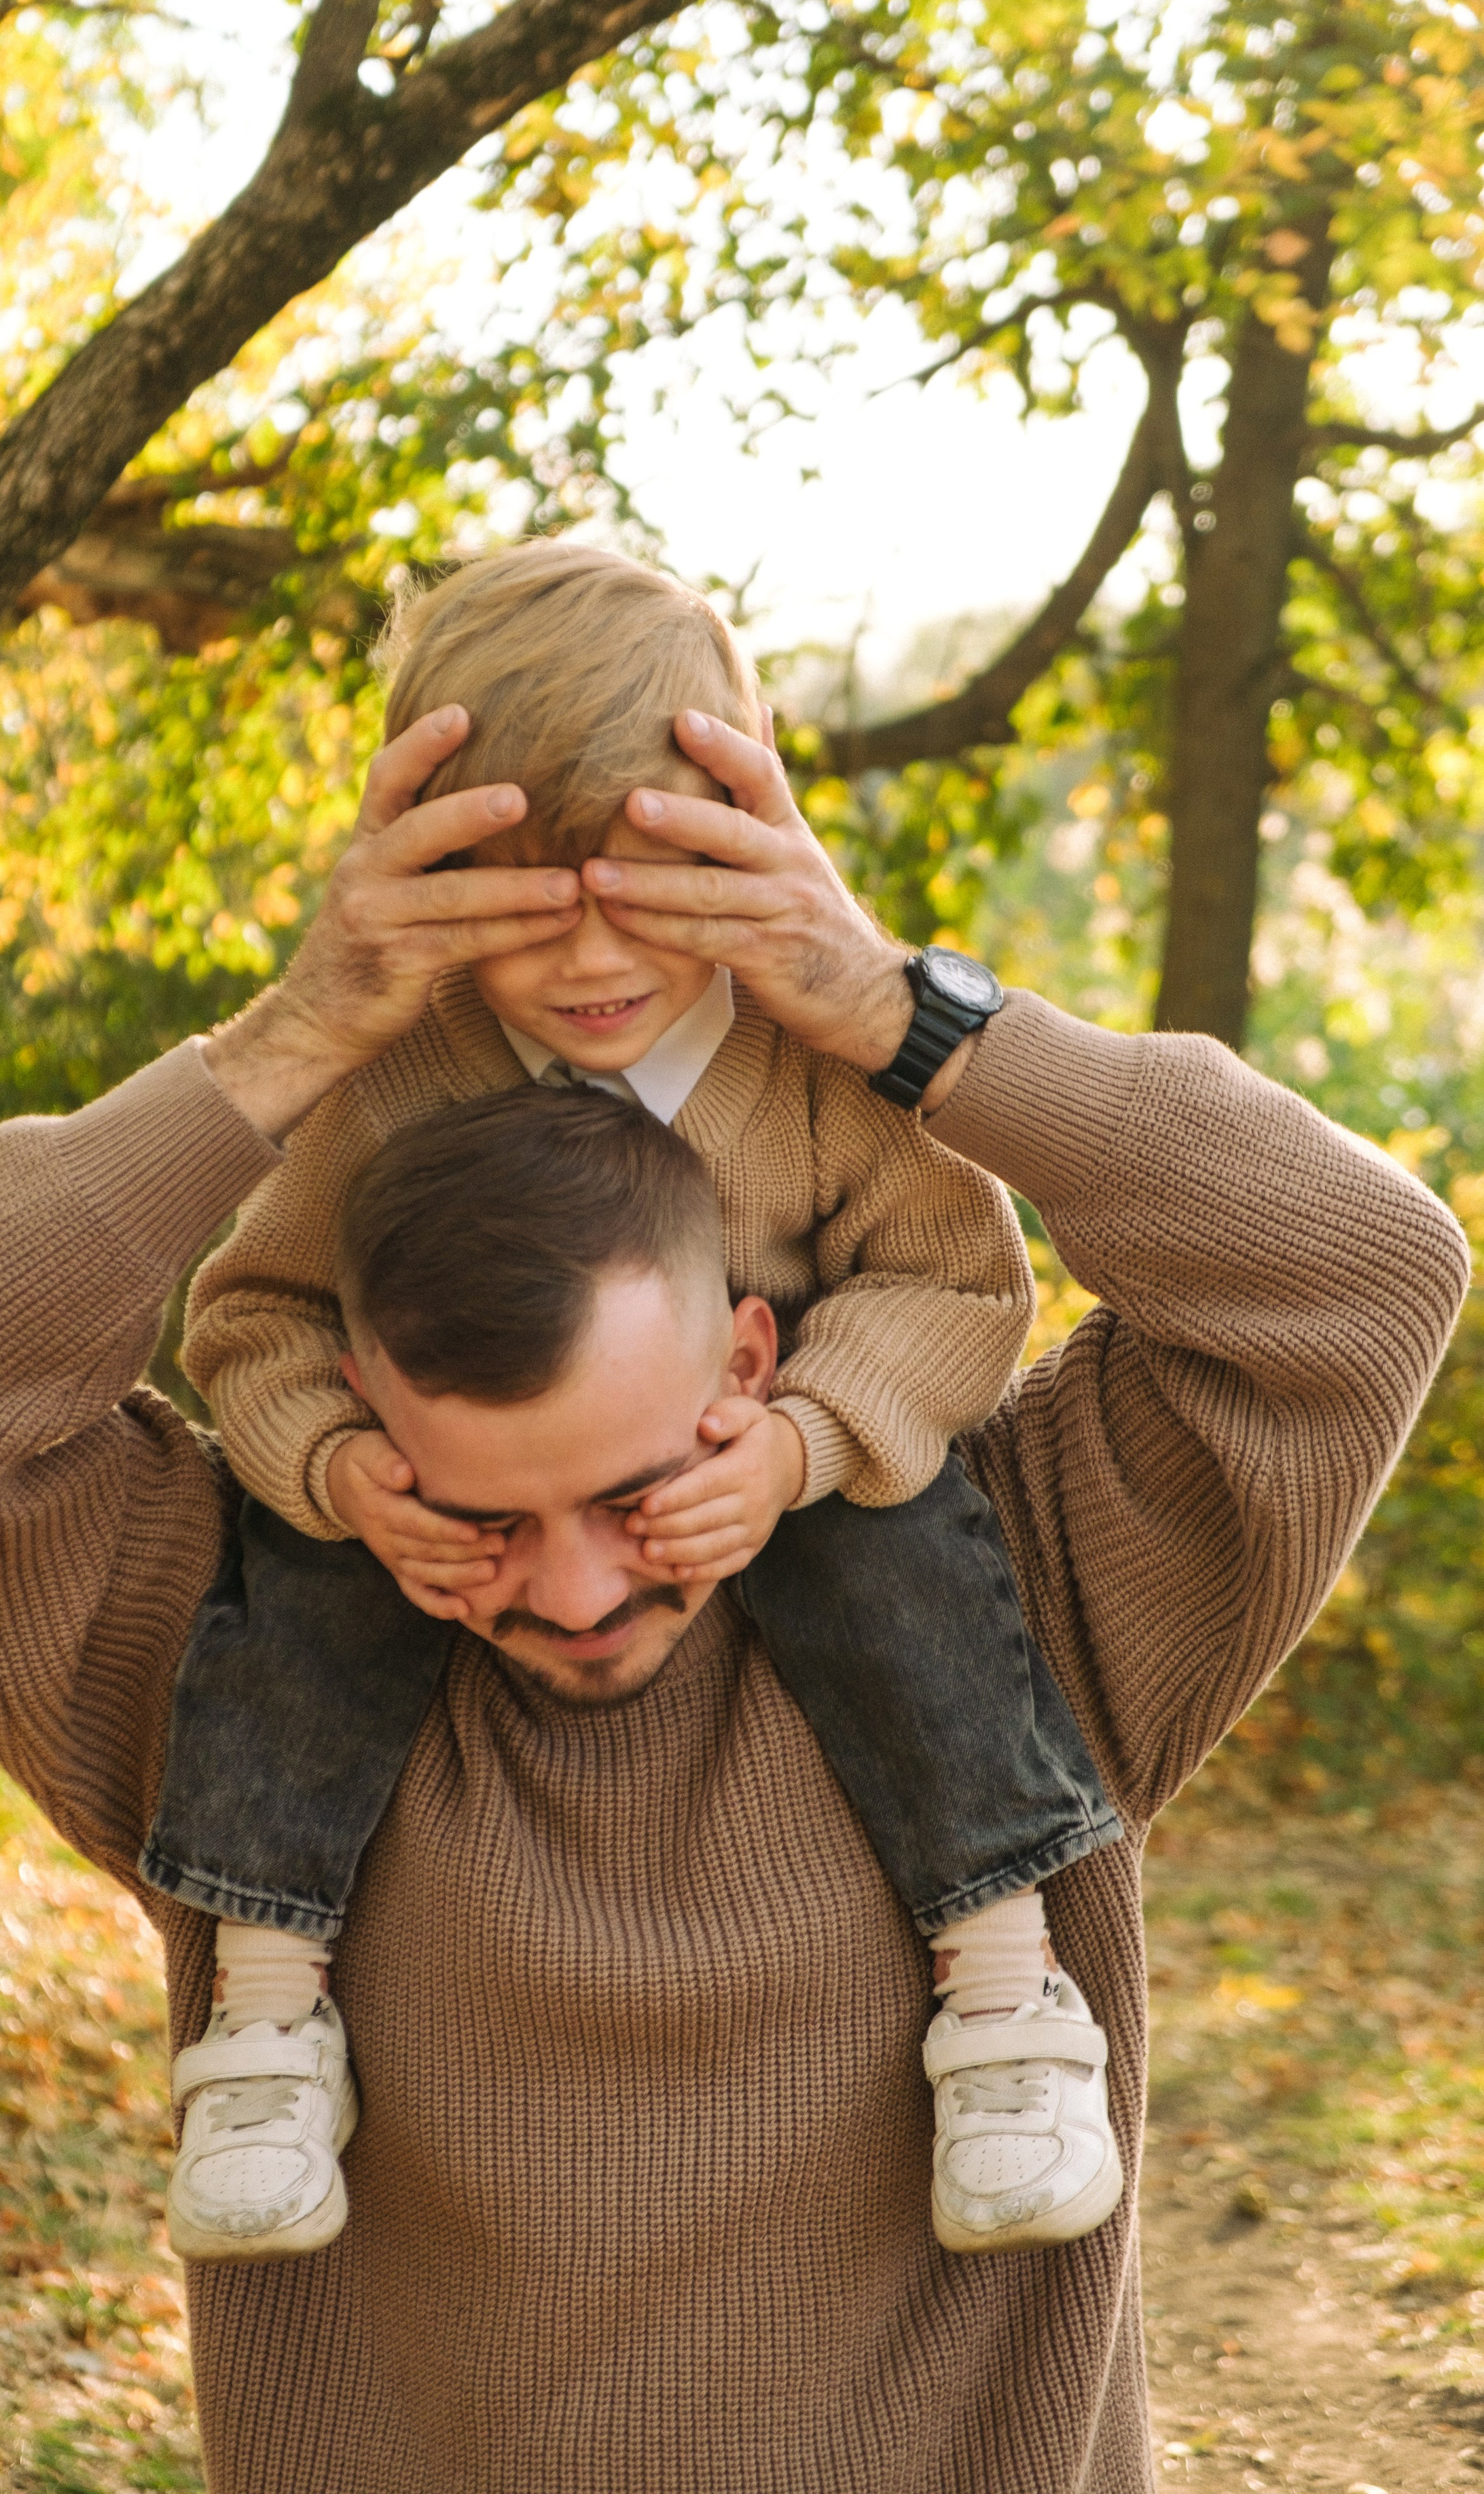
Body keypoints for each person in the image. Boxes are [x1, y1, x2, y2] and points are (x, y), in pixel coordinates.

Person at [0, 707, 1468, 2494]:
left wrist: (901, 1013)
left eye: (635, 1490)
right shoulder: (253, 1663)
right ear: (360, 1399)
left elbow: (1364, 1272)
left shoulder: (1015, 1596)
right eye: (476, 1508)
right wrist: (296, 1042)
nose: (574, 1590)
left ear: (751, 1355)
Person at [151, 543, 1124, 2269]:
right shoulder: (403, 1063)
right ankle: (264, 2015)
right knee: (314, 1550)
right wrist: (339, 1464)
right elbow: (252, 1315)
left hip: (773, 1471)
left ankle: (1001, 1993)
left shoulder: (812, 1057)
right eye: (524, 901)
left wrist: (804, 1441)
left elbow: (962, 1285)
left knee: (893, 1537)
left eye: (646, 890)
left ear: (747, 838)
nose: (591, 955)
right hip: (455, 1512)